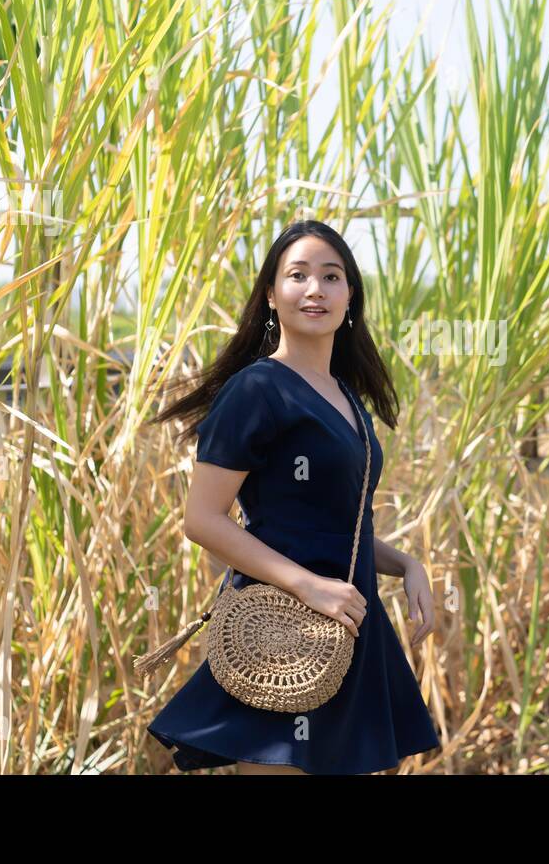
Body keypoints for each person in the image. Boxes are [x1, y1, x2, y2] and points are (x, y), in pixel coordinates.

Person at [143, 220, 441, 775]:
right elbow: (203, 520)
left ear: (350, 296)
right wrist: (309, 586)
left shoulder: (348, 397)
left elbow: (332, 527)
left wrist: (406, 564)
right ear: (271, 295)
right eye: (298, 275)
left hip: (350, 626)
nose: (315, 289)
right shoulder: (256, 389)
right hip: (280, 633)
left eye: (332, 277)